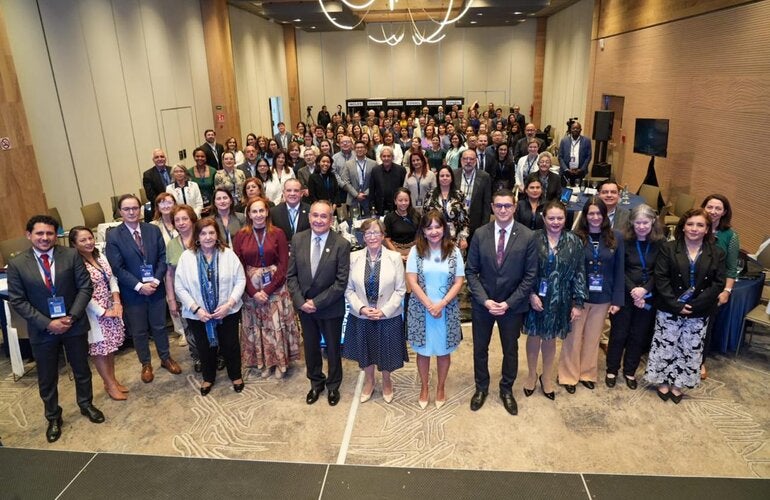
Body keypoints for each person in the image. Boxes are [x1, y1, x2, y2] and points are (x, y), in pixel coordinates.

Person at [8, 215, 103, 443]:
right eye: (39, 233)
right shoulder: (17, 263)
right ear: (28, 235)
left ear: (55, 235)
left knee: (82, 369)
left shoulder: (70, 255)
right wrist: (47, 322)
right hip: (42, 330)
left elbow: (85, 287)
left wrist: (71, 316)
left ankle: (86, 404)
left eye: (49, 233)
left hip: (74, 324)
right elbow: (18, 300)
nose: (45, 238)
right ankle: (53, 416)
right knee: (47, 377)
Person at [465, 190, 537, 415]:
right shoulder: (479, 234)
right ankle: (481, 388)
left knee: (510, 350)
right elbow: (471, 271)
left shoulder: (527, 236)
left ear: (515, 207)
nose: (503, 210)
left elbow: (530, 275)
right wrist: (485, 300)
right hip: (483, 305)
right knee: (480, 349)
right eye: (499, 206)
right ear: (492, 208)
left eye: (507, 206)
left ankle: (506, 389)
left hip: (512, 306)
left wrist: (508, 303)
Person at [645, 208, 725, 403]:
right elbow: (661, 277)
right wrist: (675, 304)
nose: (694, 229)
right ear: (683, 227)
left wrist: (696, 304)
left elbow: (718, 283)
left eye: (700, 225)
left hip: (699, 309)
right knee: (665, 345)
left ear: (707, 229)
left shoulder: (716, 253)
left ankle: (679, 384)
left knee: (690, 348)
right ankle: (662, 381)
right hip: (669, 306)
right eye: (690, 224)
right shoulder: (669, 248)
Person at [106, 194, 182, 383]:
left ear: (140, 209)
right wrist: (140, 286)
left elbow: (163, 257)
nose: (131, 212)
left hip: (156, 288)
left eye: (135, 208)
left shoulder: (152, 230)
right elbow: (117, 267)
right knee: (139, 331)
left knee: (159, 326)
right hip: (133, 292)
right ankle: (146, 364)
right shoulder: (114, 235)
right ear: (120, 212)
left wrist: (156, 281)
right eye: (127, 209)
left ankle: (165, 358)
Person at [287, 200, 351, 406]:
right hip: (305, 307)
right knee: (311, 349)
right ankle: (316, 383)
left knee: (333, 349)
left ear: (331, 220)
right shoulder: (297, 240)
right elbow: (291, 276)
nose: (318, 220)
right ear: (309, 217)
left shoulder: (341, 244)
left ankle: (333, 386)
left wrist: (316, 302)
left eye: (324, 216)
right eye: (315, 215)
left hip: (330, 307)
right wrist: (300, 302)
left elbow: (341, 283)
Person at [557, 197, 624, 393]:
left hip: (604, 297)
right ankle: (568, 375)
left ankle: (587, 373)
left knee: (593, 338)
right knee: (573, 337)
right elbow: (568, 271)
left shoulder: (616, 237)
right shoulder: (574, 237)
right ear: (585, 216)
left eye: (598, 213)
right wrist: (570, 299)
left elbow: (619, 269)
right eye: (591, 213)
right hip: (579, 298)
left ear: (604, 215)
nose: (595, 217)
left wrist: (617, 299)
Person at [174, 218, 246, 395]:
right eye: (203, 233)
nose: (208, 237)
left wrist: (229, 304)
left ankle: (235, 375)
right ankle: (208, 377)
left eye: (211, 233)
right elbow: (179, 286)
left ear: (217, 234)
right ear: (197, 236)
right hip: (198, 314)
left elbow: (240, 280)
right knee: (204, 347)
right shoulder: (187, 257)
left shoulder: (227, 254)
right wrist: (196, 309)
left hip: (226, 311)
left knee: (231, 345)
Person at [524, 201, 587, 400]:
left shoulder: (574, 241)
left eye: (560, 218)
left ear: (565, 219)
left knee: (550, 339)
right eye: (551, 218)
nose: (555, 222)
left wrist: (578, 303)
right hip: (536, 297)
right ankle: (532, 374)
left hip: (560, 298)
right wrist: (530, 294)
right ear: (543, 218)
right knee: (534, 336)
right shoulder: (532, 239)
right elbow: (524, 270)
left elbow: (579, 272)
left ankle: (547, 377)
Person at [234, 197, 300, 379]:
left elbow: (283, 265)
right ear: (248, 214)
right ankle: (263, 362)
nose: (258, 215)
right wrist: (254, 292)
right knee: (258, 327)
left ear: (267, 212)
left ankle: (280, 362)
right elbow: (238, 266)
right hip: (251, 290)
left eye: (261, 211)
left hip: (275, 288)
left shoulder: (277, 233)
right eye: (254, 211)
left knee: (275, 326)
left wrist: (268, 290)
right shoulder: (240, 235)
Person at [343, 218, 408, 403]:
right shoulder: (353, 257)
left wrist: (384, 311)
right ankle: (370, 381)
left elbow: (400, 289)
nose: (372, 237)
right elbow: (348, 289)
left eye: (376, 233)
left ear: (383, 235)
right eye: (368, 233)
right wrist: (362, 308)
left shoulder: (394, 258)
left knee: (387, 351)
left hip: (387, 316)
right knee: (366, 351)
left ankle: (387, 381)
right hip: (362, 316)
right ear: (363, 236)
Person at [406, 210, 465, 409]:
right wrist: (429, 304)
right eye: (429, 227)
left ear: (444, 228)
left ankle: (440, 387)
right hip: (421, 310)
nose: (433, 232)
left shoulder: (454, 251)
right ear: (422, 230)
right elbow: (412, 281)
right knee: (422, 352)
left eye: (437, 227)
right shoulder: (416, 251)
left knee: (443, 351)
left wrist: (441, 304)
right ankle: (424, 387)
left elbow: (459, 282)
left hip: (446, 310)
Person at [606, 204, 663, 389]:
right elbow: (619, 268)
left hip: (648, 296)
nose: (641, 226)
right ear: (631, 223)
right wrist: (634, 290)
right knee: (618, 335)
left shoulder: (660, 243)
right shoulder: (623, 240)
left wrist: (644, 290)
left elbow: (660, 271)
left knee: (638, 336)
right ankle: (612, 369)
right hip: (624, 294)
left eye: (645, 222)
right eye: (637, 223)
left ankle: (630, 371)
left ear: (653, 222)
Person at [69, 226, 127, 401]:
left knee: (110, 348)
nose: (88, 242)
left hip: (111, 306)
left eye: (90, 238)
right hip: (93, 313)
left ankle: (113, 380)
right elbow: (81, 292)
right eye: (82, 240)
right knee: (100, 349)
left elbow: (111, 278)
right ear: (74, 244)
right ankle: (109, 385)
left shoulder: (99, 255)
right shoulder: (75, 263)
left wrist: (116, 301)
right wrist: (102, 312)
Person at [700, 194, 740, 379]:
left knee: (706, 327)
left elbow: (732, 268)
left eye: (718, 208)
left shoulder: (730, 236)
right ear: (703, 207)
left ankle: (700, 362)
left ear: (724, 212)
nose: (713, 211)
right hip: (689, 284)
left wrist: (727, 290)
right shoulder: (697, 225)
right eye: (710, 207)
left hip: (714, 287)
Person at [164, 205, 201, 371]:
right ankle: (197, 357)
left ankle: (218, 354)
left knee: (212, 325)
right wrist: (171, 300)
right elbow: (169, 274)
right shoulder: (171, 245)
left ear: (192, 219)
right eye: (177, 220)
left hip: (206, 293)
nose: (181, 223)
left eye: (184, 218)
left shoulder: (203, 237)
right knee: (190, 328)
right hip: (183, 296)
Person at [423, 166, 469, 251]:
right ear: (438, 178)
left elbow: (464, 218)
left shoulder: (459, 195)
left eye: (447, 176)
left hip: (455, 239)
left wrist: (463, 238)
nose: (445, 178)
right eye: (442, 176)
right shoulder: (430, 195)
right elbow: (425, 217)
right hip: (434, 237)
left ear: (451, 178)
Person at [455, 149, 491, 243]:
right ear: (461, 160)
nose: (468, 161)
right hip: (457, 222)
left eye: (471, 159)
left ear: (476, 161)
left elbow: (486, 203)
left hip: (476, 223)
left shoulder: (484, 176)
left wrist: (484, 226)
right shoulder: (454, 175)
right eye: (465, 159)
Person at [340, 140, 376, 217]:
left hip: (368, 198)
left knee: (369, 222)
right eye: (357, 148)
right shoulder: (348, 164)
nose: (359, 149)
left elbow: (375, 181)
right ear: (354, 150)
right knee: (354, 223)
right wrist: (356, 195)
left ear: (366, 150)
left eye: (362, 147)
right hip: (353, 198)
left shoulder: (373, 163)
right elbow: (345, 181)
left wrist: (365, 193)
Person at [384, 187, 420, 261]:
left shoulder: (416, 215)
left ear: (409, 201)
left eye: (406, 200)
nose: (403, 203)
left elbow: (419, 237)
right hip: (394, 250)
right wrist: (397, 255)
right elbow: (387, 240)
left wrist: (413, 253)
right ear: (395, 201)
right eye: (400, 200)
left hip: (413, 250)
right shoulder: (389, 217)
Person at [270, 178, 310, 244]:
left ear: (301, 193)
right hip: (282, 251)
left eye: (296, 190)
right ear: (283, 193)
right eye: (289, 190)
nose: (292, 193)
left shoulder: (310, 210)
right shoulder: (273, 212)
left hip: (304, 251)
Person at [369, 146, 407, 215]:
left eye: (389, 156)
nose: (386, 158)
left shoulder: (401, 170)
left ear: (392, 157)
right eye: (384, 156)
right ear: (381, 157)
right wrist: (372, 206)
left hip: (397, 207)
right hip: (380, 207)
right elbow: (372, 190)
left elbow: (404, 189)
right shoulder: (375, 170)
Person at [143, 149, 173, 220]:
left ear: (165, 158)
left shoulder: (172, 170)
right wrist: (164, 204)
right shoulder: (148, 174)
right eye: (157, 157)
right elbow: (150, 195)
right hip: (159, 207)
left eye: (162, 156)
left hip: (175, 205)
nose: (160, 159)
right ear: (153, 160)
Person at [558, 121, 591, 186]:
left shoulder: (586, 141)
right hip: (566, 173)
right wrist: (566, 169)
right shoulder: (564, 141)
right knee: (565, 193)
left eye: (577, 128)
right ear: (570, 129)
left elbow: (588, 156)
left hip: (580, 173)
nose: (575, 130)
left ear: (581, 130)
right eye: (573, 128)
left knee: (579, 192)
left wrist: (581, 169)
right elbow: (560, 156)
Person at [188, 147, 217, 215]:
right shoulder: (189, 172)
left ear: (206, 158)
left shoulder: (213, 171)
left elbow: (216, 190)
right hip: (196, 207)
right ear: (194, 157)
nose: (200, 158)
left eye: (202, 156)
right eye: (197, 156)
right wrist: (198, 208)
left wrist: (212, 205)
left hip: (211, 205)